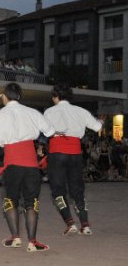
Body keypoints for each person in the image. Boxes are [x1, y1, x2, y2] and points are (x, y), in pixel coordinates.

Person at [0, 83, 55, 252]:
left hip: (11, 163)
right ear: (19, 97)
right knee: (31, 202)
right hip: (31, 163)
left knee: (10, 200)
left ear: (4, 96)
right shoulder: (33, 112)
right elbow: (50, 132)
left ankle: (15, 238)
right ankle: (33, 242)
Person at [44, 84, 102, 236]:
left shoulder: (49, 111)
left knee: (58, 189)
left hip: (57, 151)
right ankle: (85, 224)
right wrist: (101, 121)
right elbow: (97, 127)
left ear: (56, 97)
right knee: (77, 189)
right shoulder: (80, 111)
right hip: (75, 152)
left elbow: (46, 132)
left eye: (53, 97)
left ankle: (70, 223)